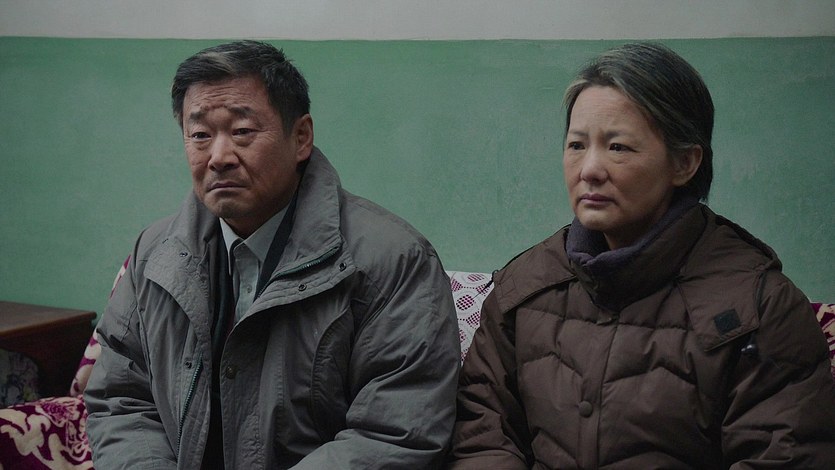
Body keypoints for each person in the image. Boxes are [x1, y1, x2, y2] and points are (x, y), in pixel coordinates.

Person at [447, 42, 835, 468]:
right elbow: (482, 433)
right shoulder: (525, 288)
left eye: (618, 147)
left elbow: (785, 455)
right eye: (576, 145)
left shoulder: (758, 307)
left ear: (684, 163)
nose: (589, 169)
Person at [84, 40, 460, 469]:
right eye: (200, 135)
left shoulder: (393, 261)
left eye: (242, 131)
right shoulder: (155, 255)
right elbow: (120, 400)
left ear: (301, 137)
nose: (219, 157)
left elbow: (394, 433)